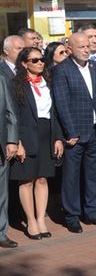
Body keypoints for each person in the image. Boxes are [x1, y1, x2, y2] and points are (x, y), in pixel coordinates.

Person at [52, 32, 96, 233]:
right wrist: (70, 131)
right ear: (70, 49)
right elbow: (62, 103)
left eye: (88, 46)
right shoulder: (62, 70)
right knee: (71, 176)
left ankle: (92, 211)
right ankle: (71, 215)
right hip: (75, 133)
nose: (87, 50)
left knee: (95, 173)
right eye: (82, 47)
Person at [10, 47, 63, 239]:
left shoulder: (47, 82)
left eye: (41, 59)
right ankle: (30, 221)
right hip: (26, 135)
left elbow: (54, 113)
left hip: (46, 134)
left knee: (42, 179)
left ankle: (41, 219)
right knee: (27, 181)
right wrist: (17, 142)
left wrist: (57, 137)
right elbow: (13, 115)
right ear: (24, 64)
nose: (40, 62)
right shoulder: (17, 84)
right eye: (34, 60)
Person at [0, 74, 19, 248]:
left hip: (1, 147)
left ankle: (0, 232)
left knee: (1, 194)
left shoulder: (1, 79)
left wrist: (12, 140)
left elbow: (11, 113)